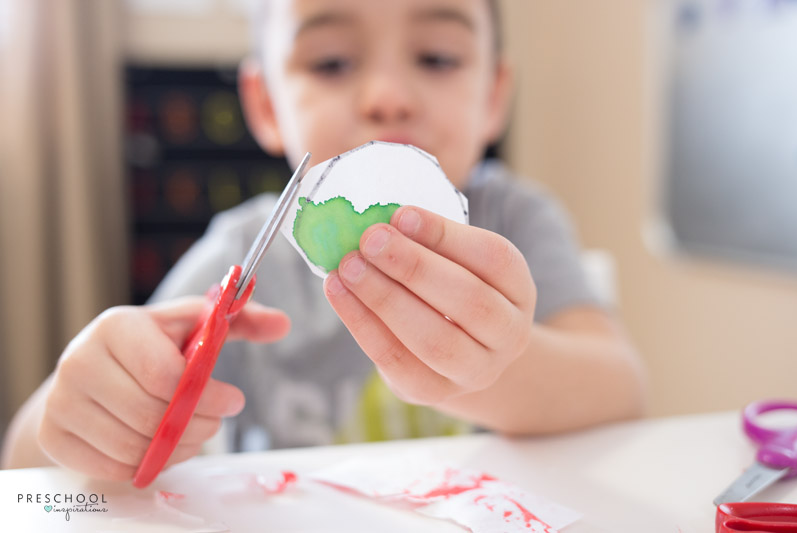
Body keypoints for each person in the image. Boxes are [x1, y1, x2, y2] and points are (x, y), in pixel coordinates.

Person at [1, 0, 646, 480]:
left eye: (437, 57)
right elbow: (26, 478)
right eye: (331, 62)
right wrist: (73, 412)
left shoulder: (518, 220)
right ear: (264, 105)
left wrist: (495, 366)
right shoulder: (240, 251)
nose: (389, 98)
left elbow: (622, 394)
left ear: (494, 96)